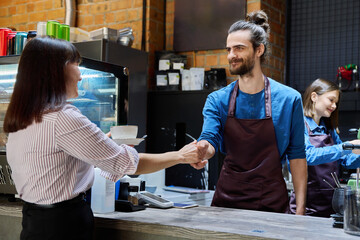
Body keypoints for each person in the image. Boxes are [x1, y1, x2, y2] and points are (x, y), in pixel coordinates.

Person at [3, 37, 205, 240]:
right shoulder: (63, 118)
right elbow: (128, 164)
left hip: (32, 221)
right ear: (57, 71)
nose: (81, 76)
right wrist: (180, 156)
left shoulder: (23, 118)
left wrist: (102, 145)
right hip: (61, 225)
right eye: (76, 65)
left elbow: (54, 166)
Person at [192, 10, 308, 214]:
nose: (231, 56)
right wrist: (202, 149)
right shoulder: (217, 100)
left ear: (259, 50)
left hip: (272, 203)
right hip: (227, 203)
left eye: (239, 48)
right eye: (228, 49)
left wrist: (300, 211)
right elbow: (209, 139)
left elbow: (297, 156)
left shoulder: (290, 99)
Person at [289, 78, 360, 217]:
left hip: (330, 204)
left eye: (336, 102)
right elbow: (307, 156)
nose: (334, 106)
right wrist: (347, 146)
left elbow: (345, 160)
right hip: (305, 206)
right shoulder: (299, 124)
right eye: (331, 100)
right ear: (314, 96)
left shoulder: (329, 129)